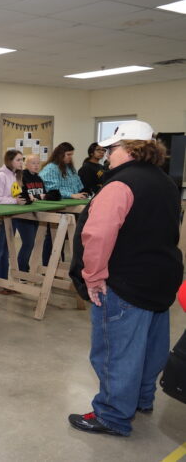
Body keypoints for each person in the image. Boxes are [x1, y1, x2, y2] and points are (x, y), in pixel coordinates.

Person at [69, 120, 183, 436]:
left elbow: (98, 235)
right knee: (149, 347)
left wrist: (92, 278)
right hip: (159, 281)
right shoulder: (166, 183)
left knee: (114, 353)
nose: (107, 155)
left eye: (112, 149)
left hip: (124, 283)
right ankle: (141, 399)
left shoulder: (120, 186)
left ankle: (112, 415)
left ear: (131, 149)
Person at [39, 142, 88, 265]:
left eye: (72, 154)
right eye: (68, 154)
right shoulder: (50, 168)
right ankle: (48, 265)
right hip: (58, 207)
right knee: (53, 238)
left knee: (65, 238)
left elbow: (78, 184)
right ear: (60, 155)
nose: (70, 157)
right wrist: (71, 195)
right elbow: (51, 189)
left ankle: (59, 264)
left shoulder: (70, 168)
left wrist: (83, 193)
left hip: (71, 207)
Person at [0, 150, 29, 294]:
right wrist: (15, 201)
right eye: (18, 160)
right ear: (10, 161)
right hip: (0, 218)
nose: (21, 163)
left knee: (6, 251)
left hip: (11, 217)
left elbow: (15, 194)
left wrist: (25, 198)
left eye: (21, 160)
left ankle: (3, 282)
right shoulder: (1, 176)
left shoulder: (14, 175)